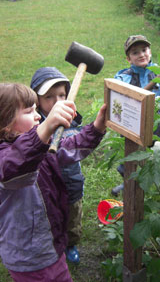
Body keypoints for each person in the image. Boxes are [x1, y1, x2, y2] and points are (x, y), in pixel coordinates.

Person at [0, 83, 106, 282]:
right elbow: (16, 165)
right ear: (6, 123)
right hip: (29, 256)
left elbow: (70, 147)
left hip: (51, 243)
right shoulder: (8, 158)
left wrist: (97, 127)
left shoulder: (39, 146)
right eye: (29, 111)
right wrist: (45, 128)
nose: (38, 115)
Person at [30, 67, 84, 264]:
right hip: (47, 187)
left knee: (73, 216)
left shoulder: (73, 120)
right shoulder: (35, 126)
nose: (58, 102)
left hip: (71, 182)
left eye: (62, 95)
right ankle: (54, 243)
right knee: (51, 217)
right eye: (50, 97)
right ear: (37, 101)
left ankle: (71, 243)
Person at [111, 34, 160, 196]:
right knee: (132, 158)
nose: (141, 55)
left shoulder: (158, 73)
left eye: (144, 50)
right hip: (133, 126)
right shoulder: (124, 77)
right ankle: (129, 185)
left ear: (150, 52)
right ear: (128, 59)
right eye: (135, 52)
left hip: (156, 126)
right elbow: (119, 99)